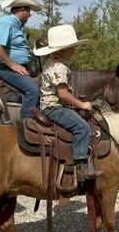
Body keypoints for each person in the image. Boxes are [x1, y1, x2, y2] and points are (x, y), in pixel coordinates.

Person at [34, 24, 103, 180]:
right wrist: (82, 104)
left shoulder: (51, 62)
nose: (74, 50)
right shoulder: (59, 68)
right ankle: (81, 166)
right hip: (54, 107)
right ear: (63, 50)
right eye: (72, 47)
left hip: (51, 105)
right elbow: (63, 94)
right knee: (82, 127)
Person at [0, 0, 42, 121]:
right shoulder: (6, 23)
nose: (30, 14)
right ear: (23, 10)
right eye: (29, 10)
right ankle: (26, 125)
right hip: (5, 68)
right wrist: (13, 65)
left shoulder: (17, 26)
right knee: (33, 90)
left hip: (14, 66)